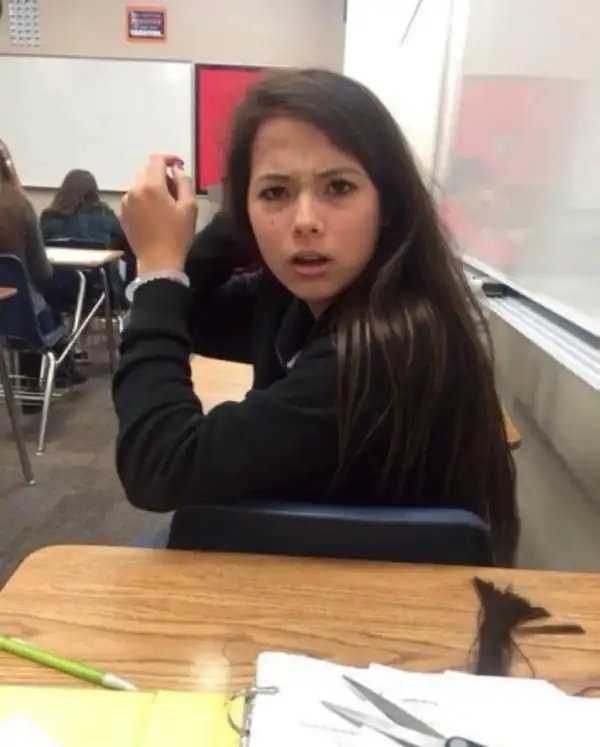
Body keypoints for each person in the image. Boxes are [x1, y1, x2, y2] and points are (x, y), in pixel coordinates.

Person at [113, 69, 519, 565]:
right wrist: (239, 221)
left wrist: (158, 268)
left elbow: (159, 466)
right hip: (304, 543)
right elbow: (191, 317)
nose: (305, 221)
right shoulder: (298, 296)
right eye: (275, 193)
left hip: (368, 587)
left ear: (387, 205)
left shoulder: (391, 346)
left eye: (338, 187)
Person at [0, 140, 86, 396]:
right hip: (22, 319)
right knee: (40, 300)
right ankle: (41, 385)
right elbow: (42, 273)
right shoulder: (18, 205)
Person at [40, 169, 134, 300]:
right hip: (102, 291)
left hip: (57, 292)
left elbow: (37, 252)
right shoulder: (105, 216)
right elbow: (127, 244)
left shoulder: (49, 218)